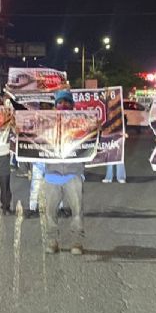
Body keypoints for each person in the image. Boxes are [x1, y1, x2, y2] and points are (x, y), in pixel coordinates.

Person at [40, 90, 91, 255]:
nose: (63, 105)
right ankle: (52, 241)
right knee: (50, 212)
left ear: (72, 105)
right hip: (51, 174)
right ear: (55, 106)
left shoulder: (82, 123)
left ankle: (77, 242)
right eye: (60, 103)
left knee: (77, 211)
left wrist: (97, 129)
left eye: (67, 102)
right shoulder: (46, 124)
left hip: (73, 174)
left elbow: (92, 140)